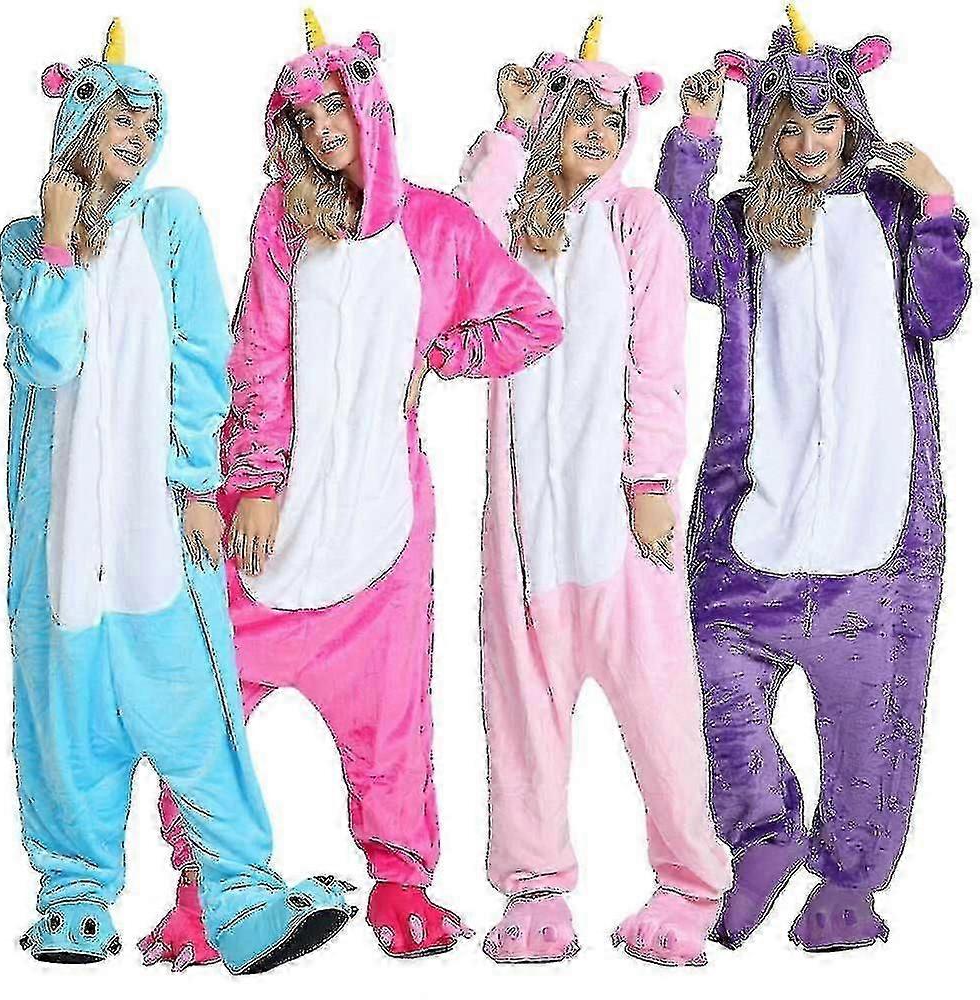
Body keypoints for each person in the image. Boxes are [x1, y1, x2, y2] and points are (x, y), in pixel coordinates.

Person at [138, 11, 563, 965]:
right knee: (204, 703)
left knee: (391, 714)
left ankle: (401, 880)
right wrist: (254, 481)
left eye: (336, 106)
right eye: (305, 116)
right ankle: (210, 887)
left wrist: (441, 356)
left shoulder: (438, 226)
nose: (324, 127)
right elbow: (257, 352)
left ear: (370, 107)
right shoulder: (283, 218)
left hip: (382, 528)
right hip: (270, 520)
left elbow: (533, 320)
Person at [0, 20, 355, 974]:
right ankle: (73, 898)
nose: (139, 135)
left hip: (155, 524)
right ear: (80, 121)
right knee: (63, 717)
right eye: (122, 117)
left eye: (150, 122)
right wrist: (60, 240)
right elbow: (50, 355)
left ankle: (242, 898)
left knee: (197, 710)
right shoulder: (24, 245)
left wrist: (199, 484)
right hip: (60, 541)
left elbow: (203, 355)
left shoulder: (171, 222)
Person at [656, 4, 970, 951]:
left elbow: (940, 313)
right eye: (787, 128)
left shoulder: (891, 211)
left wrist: (942, 206)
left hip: (878, 536)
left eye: (823, 123)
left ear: (851, 121)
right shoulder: (747, 222)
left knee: (874, 721)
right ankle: (764, 834)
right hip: (756, 522)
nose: (805, 145)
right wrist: (695, 140)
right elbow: (683, 254)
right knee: (713, 676)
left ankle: (848, 883)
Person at [454, 18, 731, 967]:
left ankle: (691, 882)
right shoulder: (520, 228)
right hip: (527, 528)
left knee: (659, 701)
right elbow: (457, 252)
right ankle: (534, 888)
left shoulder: (638, 220)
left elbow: (660, 360)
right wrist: (507, 128)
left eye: (614, 123)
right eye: (579, 117)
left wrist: (653, 478)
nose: (599, 136)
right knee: (521, 711)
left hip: (616, 516)